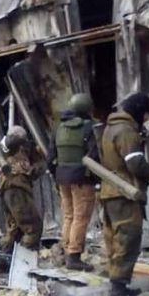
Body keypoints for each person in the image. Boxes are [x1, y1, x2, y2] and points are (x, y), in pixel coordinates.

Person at [100, 92, 149, 296]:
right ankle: (117, 294)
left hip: (111, 190)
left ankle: (120, 287)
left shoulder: (110, 127)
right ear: (139, 111)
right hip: (124, 193)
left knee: (116, 240)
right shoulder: (126, 131)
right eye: (146, 114)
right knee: (128, 240)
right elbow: (135, 164)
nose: (146, 119)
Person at [49, 93, 98, 271]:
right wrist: (96, 179)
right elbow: (94, 156)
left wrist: (57, 175)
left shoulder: (58, 127)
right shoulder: (89, 128)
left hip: (62, 177)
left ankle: (66, 251)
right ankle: (74, 256)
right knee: (80, 217)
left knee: (69, 216)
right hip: (82, 179)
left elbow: (50, 157)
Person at [0, 126, 45, 253]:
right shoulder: (19, 148)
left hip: (6, 189)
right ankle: (26, 257)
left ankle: (5, 256)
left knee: (14, 229)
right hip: (17, 189)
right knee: (33, 227)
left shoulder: (2, 148)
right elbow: (35, 169)